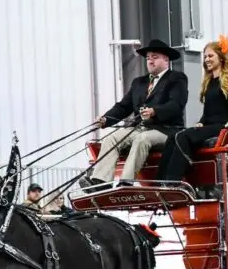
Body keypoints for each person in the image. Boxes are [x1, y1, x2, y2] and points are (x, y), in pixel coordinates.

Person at [79, 39, 189, 187]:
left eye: (155, 57)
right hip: (140, 128)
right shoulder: (139, 82)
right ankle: (100, 181)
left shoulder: (176, 78)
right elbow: (124, 106)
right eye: (148, 58)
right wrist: (106, 119)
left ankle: (126, 182)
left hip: (166, 130)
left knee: (142, 139)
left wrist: (155, 111)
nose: (150, 61)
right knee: (110, 139)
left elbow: (176, 105)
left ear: (166, 59)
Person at [155, 35, 228, 185]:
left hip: (222, 126)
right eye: (205, 56)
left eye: (210, 56)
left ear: (220, 57)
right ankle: (160, 181)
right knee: (173, 137)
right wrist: (201, 122)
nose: (206, 59)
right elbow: (208, 111)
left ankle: (172, 181)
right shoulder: (208, 82)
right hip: (208, 125)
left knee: (183, 137)